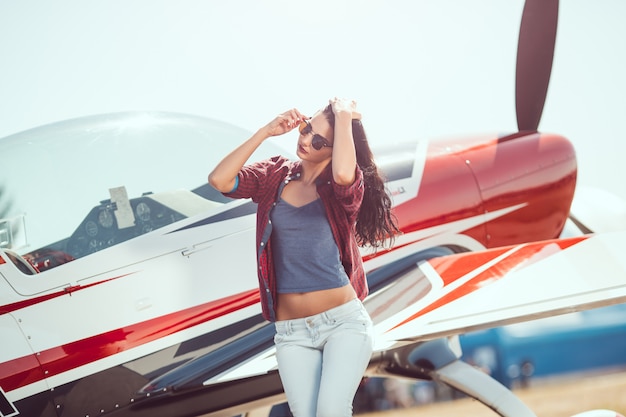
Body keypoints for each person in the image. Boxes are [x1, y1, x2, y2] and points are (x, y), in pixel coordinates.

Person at [208, 97, 399, 417]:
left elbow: (342, 172)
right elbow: (220, 180)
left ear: (336, 147)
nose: (307, 140)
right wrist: (265, 131)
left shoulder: (343, 188)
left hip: (343, 324)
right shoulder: (274, 174)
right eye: (307, 129)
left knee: (330, 411)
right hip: (291, 332)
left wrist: (343, 115)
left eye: (320, 140)